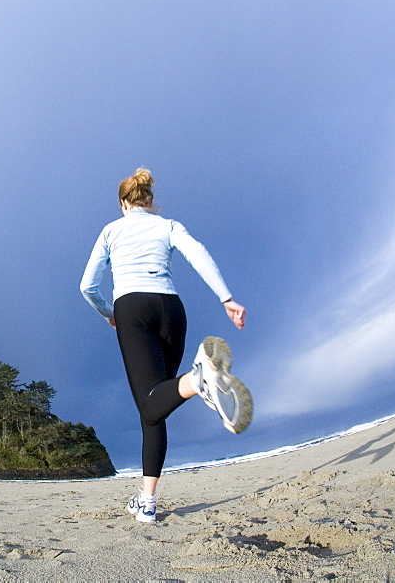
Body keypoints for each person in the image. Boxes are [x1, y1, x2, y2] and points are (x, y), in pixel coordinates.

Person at [80, 167, 252, 523]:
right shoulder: (168, 226)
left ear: (123, 203)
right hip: (172, 309)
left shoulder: (111, 230)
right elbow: (198, 253)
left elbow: (87, 286)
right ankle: (147, 499)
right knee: (155, 407)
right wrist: (226, 298)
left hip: (133, 308)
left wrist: (108, 313)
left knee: (151, 403)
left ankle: (197, 379)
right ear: (150, 201)